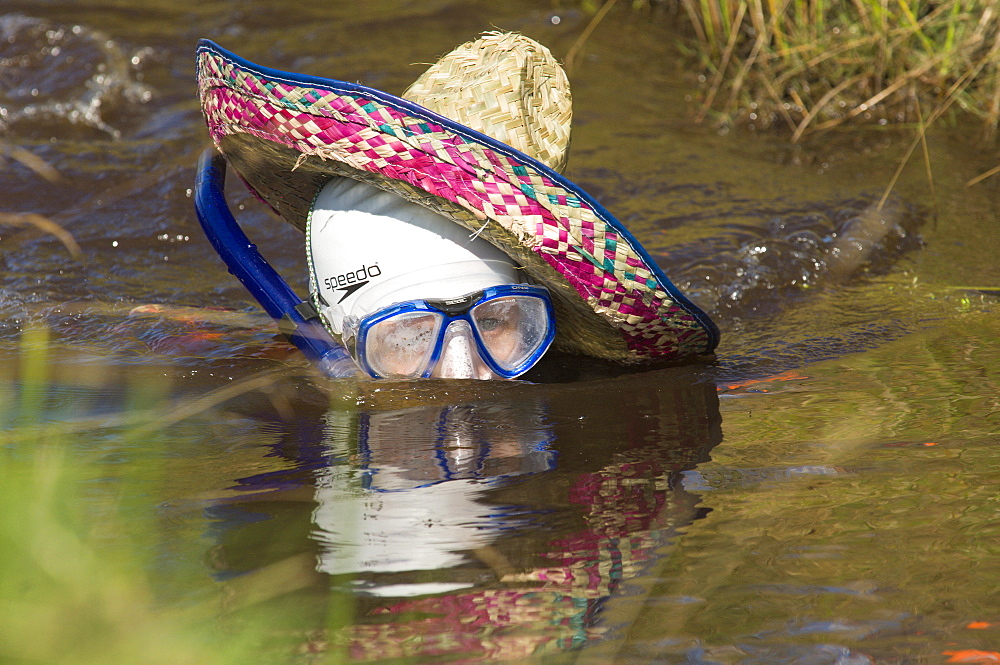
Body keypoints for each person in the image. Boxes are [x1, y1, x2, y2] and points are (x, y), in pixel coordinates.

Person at [196, 32, 719, 380]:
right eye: (409, 336)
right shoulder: (277, 388)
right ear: (339, 337)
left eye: (495, 321)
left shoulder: (556, 367)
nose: (468, 373)